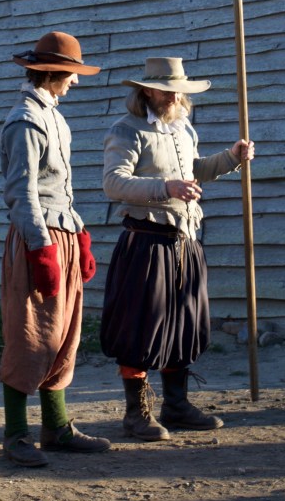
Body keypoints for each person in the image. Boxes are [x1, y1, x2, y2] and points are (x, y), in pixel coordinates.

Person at [100, 57, 255, 441]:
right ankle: (136, 414)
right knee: (141, 328)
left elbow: (195, 170)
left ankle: (177, 404)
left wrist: (232, 158)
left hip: (185, 242)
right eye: (167, 91)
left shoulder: (182, 128)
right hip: (147, 242)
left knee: (182, 325)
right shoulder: (128, 130)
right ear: (147, 90)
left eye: (178, 91)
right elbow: (114, 183)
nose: (174, 97)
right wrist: (165, 188)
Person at [0, 31, 112, 467]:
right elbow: (21, 193)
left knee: (64, 332)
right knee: (31, 337)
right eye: (71, 74)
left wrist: (78, 234)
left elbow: (61, 189)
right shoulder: (24, 120)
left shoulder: (55, 118)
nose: (75, 82)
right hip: (36, 239)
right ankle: (14, 434)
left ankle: (56, 427)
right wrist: (41, 248)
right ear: (53, 72)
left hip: (61, 235)